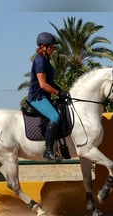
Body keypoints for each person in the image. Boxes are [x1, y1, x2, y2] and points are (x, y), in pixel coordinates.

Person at [28, 32, 69, 161]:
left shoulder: (47, 60)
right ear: (43, 46)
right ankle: (48, 151)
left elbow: (50, 82)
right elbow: (43, 85)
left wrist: (61, 91)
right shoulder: (40, 61)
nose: (53, 49)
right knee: (55, 117)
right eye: (51, 46)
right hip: (37, 97)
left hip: (45, 97)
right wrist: (57, 93)